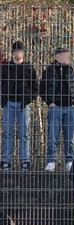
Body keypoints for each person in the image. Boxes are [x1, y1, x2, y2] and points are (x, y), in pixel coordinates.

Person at [40, 47, 74, 172]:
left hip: (70, 108)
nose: (68, 58)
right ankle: (51, 161)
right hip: (55, 108)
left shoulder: (72, 70)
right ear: (57, 57)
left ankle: (69, 161)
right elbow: (42, 88)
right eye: (66, 56)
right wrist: (50, 102)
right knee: (52, 136)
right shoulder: (49, 71)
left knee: (70, 138)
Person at [1, 41, 39, 171]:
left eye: (20, 51)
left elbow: (35, 87)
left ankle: (25, 161)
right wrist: (3, 100)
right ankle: (6, 161)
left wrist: (29, 99)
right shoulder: (5, 67)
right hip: (9, 104)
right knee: (8, 133)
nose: (18, 53)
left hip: (23, 105)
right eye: (16, 51)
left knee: (24, 134)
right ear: (12, 53)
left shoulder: (29, 68)